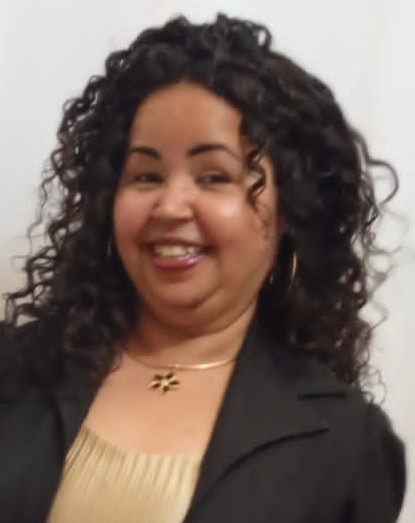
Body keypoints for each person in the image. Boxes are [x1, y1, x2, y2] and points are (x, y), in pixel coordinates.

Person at [0, 13, 406, 523]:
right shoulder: (18, 371)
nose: (170, 206)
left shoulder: (344, 444)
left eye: (214, 176)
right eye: (146, 175)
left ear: (289, 210)